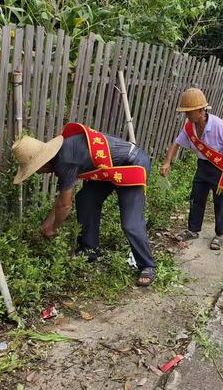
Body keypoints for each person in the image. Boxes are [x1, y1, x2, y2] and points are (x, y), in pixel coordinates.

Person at [12, 123, 155, 287]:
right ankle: (90, 249)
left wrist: (54, 227)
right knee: (85, 199)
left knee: (130, 222)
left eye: (36, 169)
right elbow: (62, 200)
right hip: (109, 168)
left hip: (132, 164)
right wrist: (48, 222)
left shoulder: (65, 161)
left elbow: (65, 206)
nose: (39, 173)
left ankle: (147, 265)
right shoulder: (63, 151)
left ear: (44, 162)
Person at [160, 88, 223, 251]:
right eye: (186, 112)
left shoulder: (219, 125)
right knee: (197, 198)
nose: (187, 116)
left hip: (221, 168)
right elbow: (176, 144)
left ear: (201, 110)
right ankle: (193, 229)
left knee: (221, 202)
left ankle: (219, 234)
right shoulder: (190, 127)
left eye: (190, 112)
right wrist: (167, 162)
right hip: (203, 166)